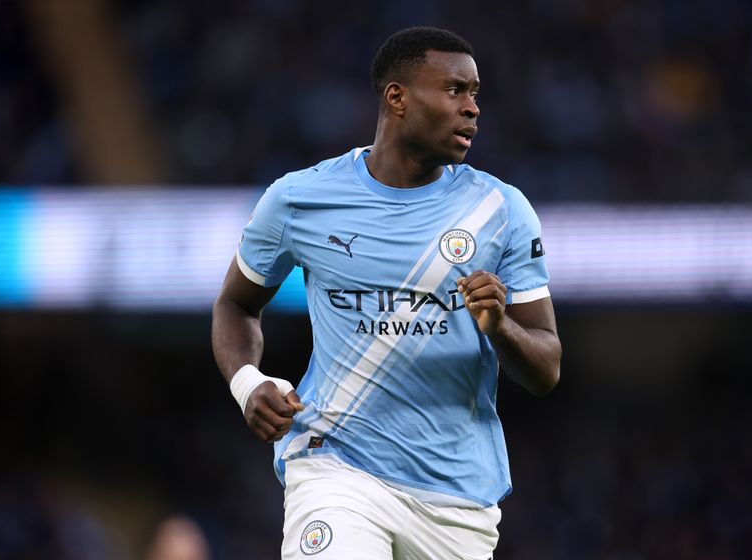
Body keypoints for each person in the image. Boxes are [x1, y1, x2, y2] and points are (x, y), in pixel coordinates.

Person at [212, 26, 561, 559]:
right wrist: (246, 381)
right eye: (454, 90)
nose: (472, 109)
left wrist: (501, 327)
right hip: (335, 467)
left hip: (455, 496)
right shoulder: (298, 199)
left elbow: (546, 370)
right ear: (396, 97)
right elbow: (237, 304)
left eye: (476, 94)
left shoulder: (502, 210)